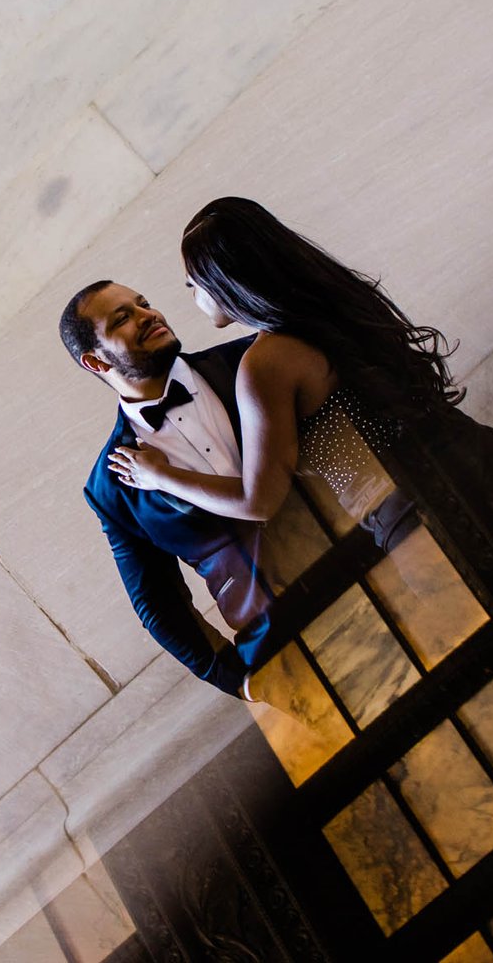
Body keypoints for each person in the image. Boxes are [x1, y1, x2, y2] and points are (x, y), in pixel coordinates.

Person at [108, 197, 493, 609]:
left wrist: (160, 476)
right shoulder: (336, 301)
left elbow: (257, 500)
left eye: (193, 284)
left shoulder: (265, 363)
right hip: (491, 459)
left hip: (425, 522)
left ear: (222, 281)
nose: (191, 297)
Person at [63, 280, 292, 698]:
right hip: (284, 653)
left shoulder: (250, 360)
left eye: (143, 303)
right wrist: (240, 681)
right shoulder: (110, 486)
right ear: (95, 362)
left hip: (380, 568)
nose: (147, 314)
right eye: (123, 318)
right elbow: (159, 605)